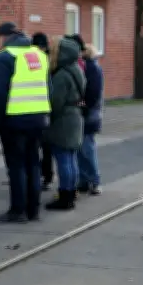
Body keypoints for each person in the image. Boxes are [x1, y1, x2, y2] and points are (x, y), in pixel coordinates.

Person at [0, 22, 51, 223]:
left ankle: (18, 210)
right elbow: (48, 88)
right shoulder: (40, 56)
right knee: (33, 163)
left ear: (6, 37)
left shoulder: (5, 57)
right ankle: (34, 210)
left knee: (16, 166)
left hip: (14, 120)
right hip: (38, 119)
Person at [45, 36, 85, 211]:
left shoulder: (61, 75)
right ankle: (72, 191)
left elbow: (55, 102)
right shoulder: (76, 69)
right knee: (71, 158)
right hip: (75, 117)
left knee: (63, 159)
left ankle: (65, 196)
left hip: (63, 121)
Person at [67, 34, 103, 195]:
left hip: (89, 114)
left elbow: (93, 92)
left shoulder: (91, 68)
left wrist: (85, 106)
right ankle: (85, 180)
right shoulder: (89, 66)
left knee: (87, 148)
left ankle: (94, 181)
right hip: (88, 113)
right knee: (82, 149)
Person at [31, 32, 54, 191]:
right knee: (46, 148)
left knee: (37, 147)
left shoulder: (36, 59)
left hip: (36, 110)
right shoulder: (50, 60)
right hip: (46, 110)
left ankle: (40, 176)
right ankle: (46, 176)